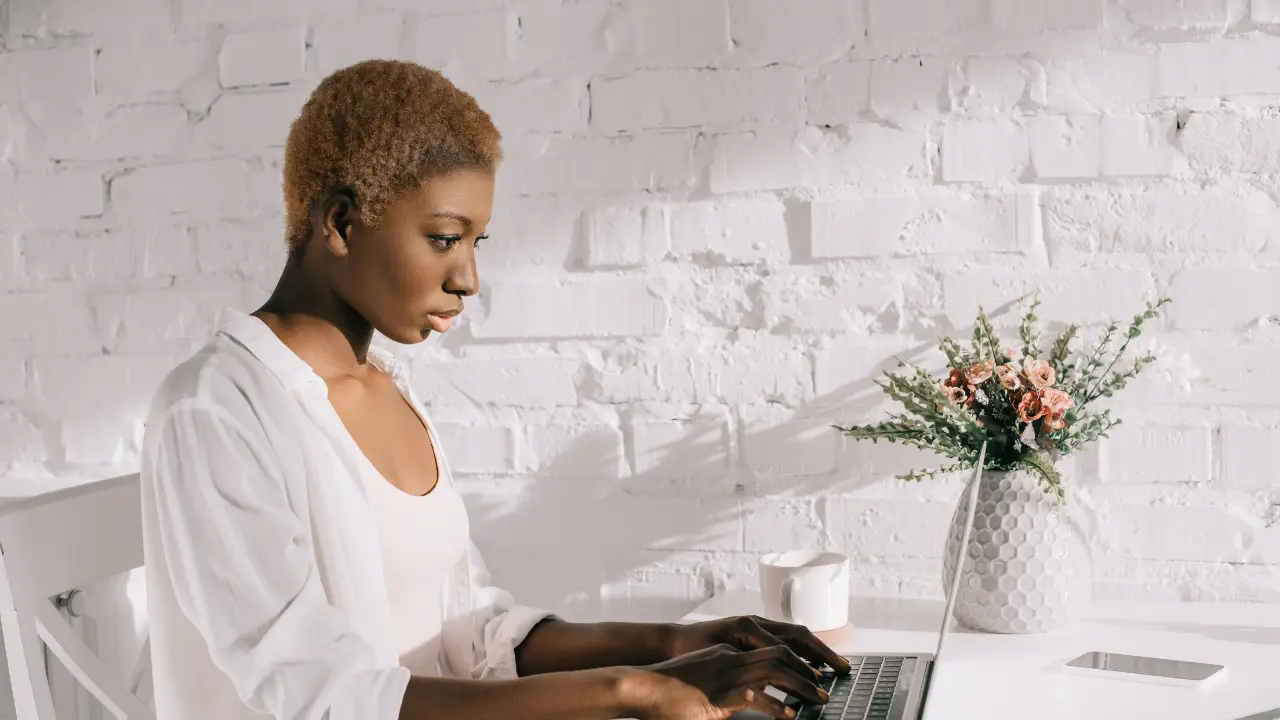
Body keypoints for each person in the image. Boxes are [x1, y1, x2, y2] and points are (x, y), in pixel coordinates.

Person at [138, 59, 851, 720]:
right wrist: (633, 690)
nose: (468, 279)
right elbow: (321, 693)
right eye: (446, 238)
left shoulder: (389, 390)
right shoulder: (215, 409)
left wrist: (678, 643)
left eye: (478, 243)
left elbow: (467, 631)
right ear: (341, 222)